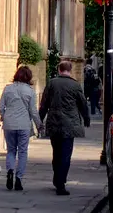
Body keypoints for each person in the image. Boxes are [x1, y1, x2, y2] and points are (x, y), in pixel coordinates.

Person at [37, 58, 92, 195]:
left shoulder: (52, 83)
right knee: (66, 155)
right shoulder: (75, 85)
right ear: (70, 70)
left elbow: (44, 104)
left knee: (56, 153)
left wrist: (39, 120)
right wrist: (86, 118)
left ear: (59, 70)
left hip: (54, 122)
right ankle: (61, 182)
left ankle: (57, 179)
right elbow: (83, 104)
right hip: (70, 123)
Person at [0, 64, 39, 192]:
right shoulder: (30, 92)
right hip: (23, 125)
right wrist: (39, 125)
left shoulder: (7, 89)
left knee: (11, 150)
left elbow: (0, 107)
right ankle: (19, 179)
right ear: (29, 77)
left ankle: (10, 170)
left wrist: (5, 116)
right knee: (22, 152)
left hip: (9, 124)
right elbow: (33, 111)